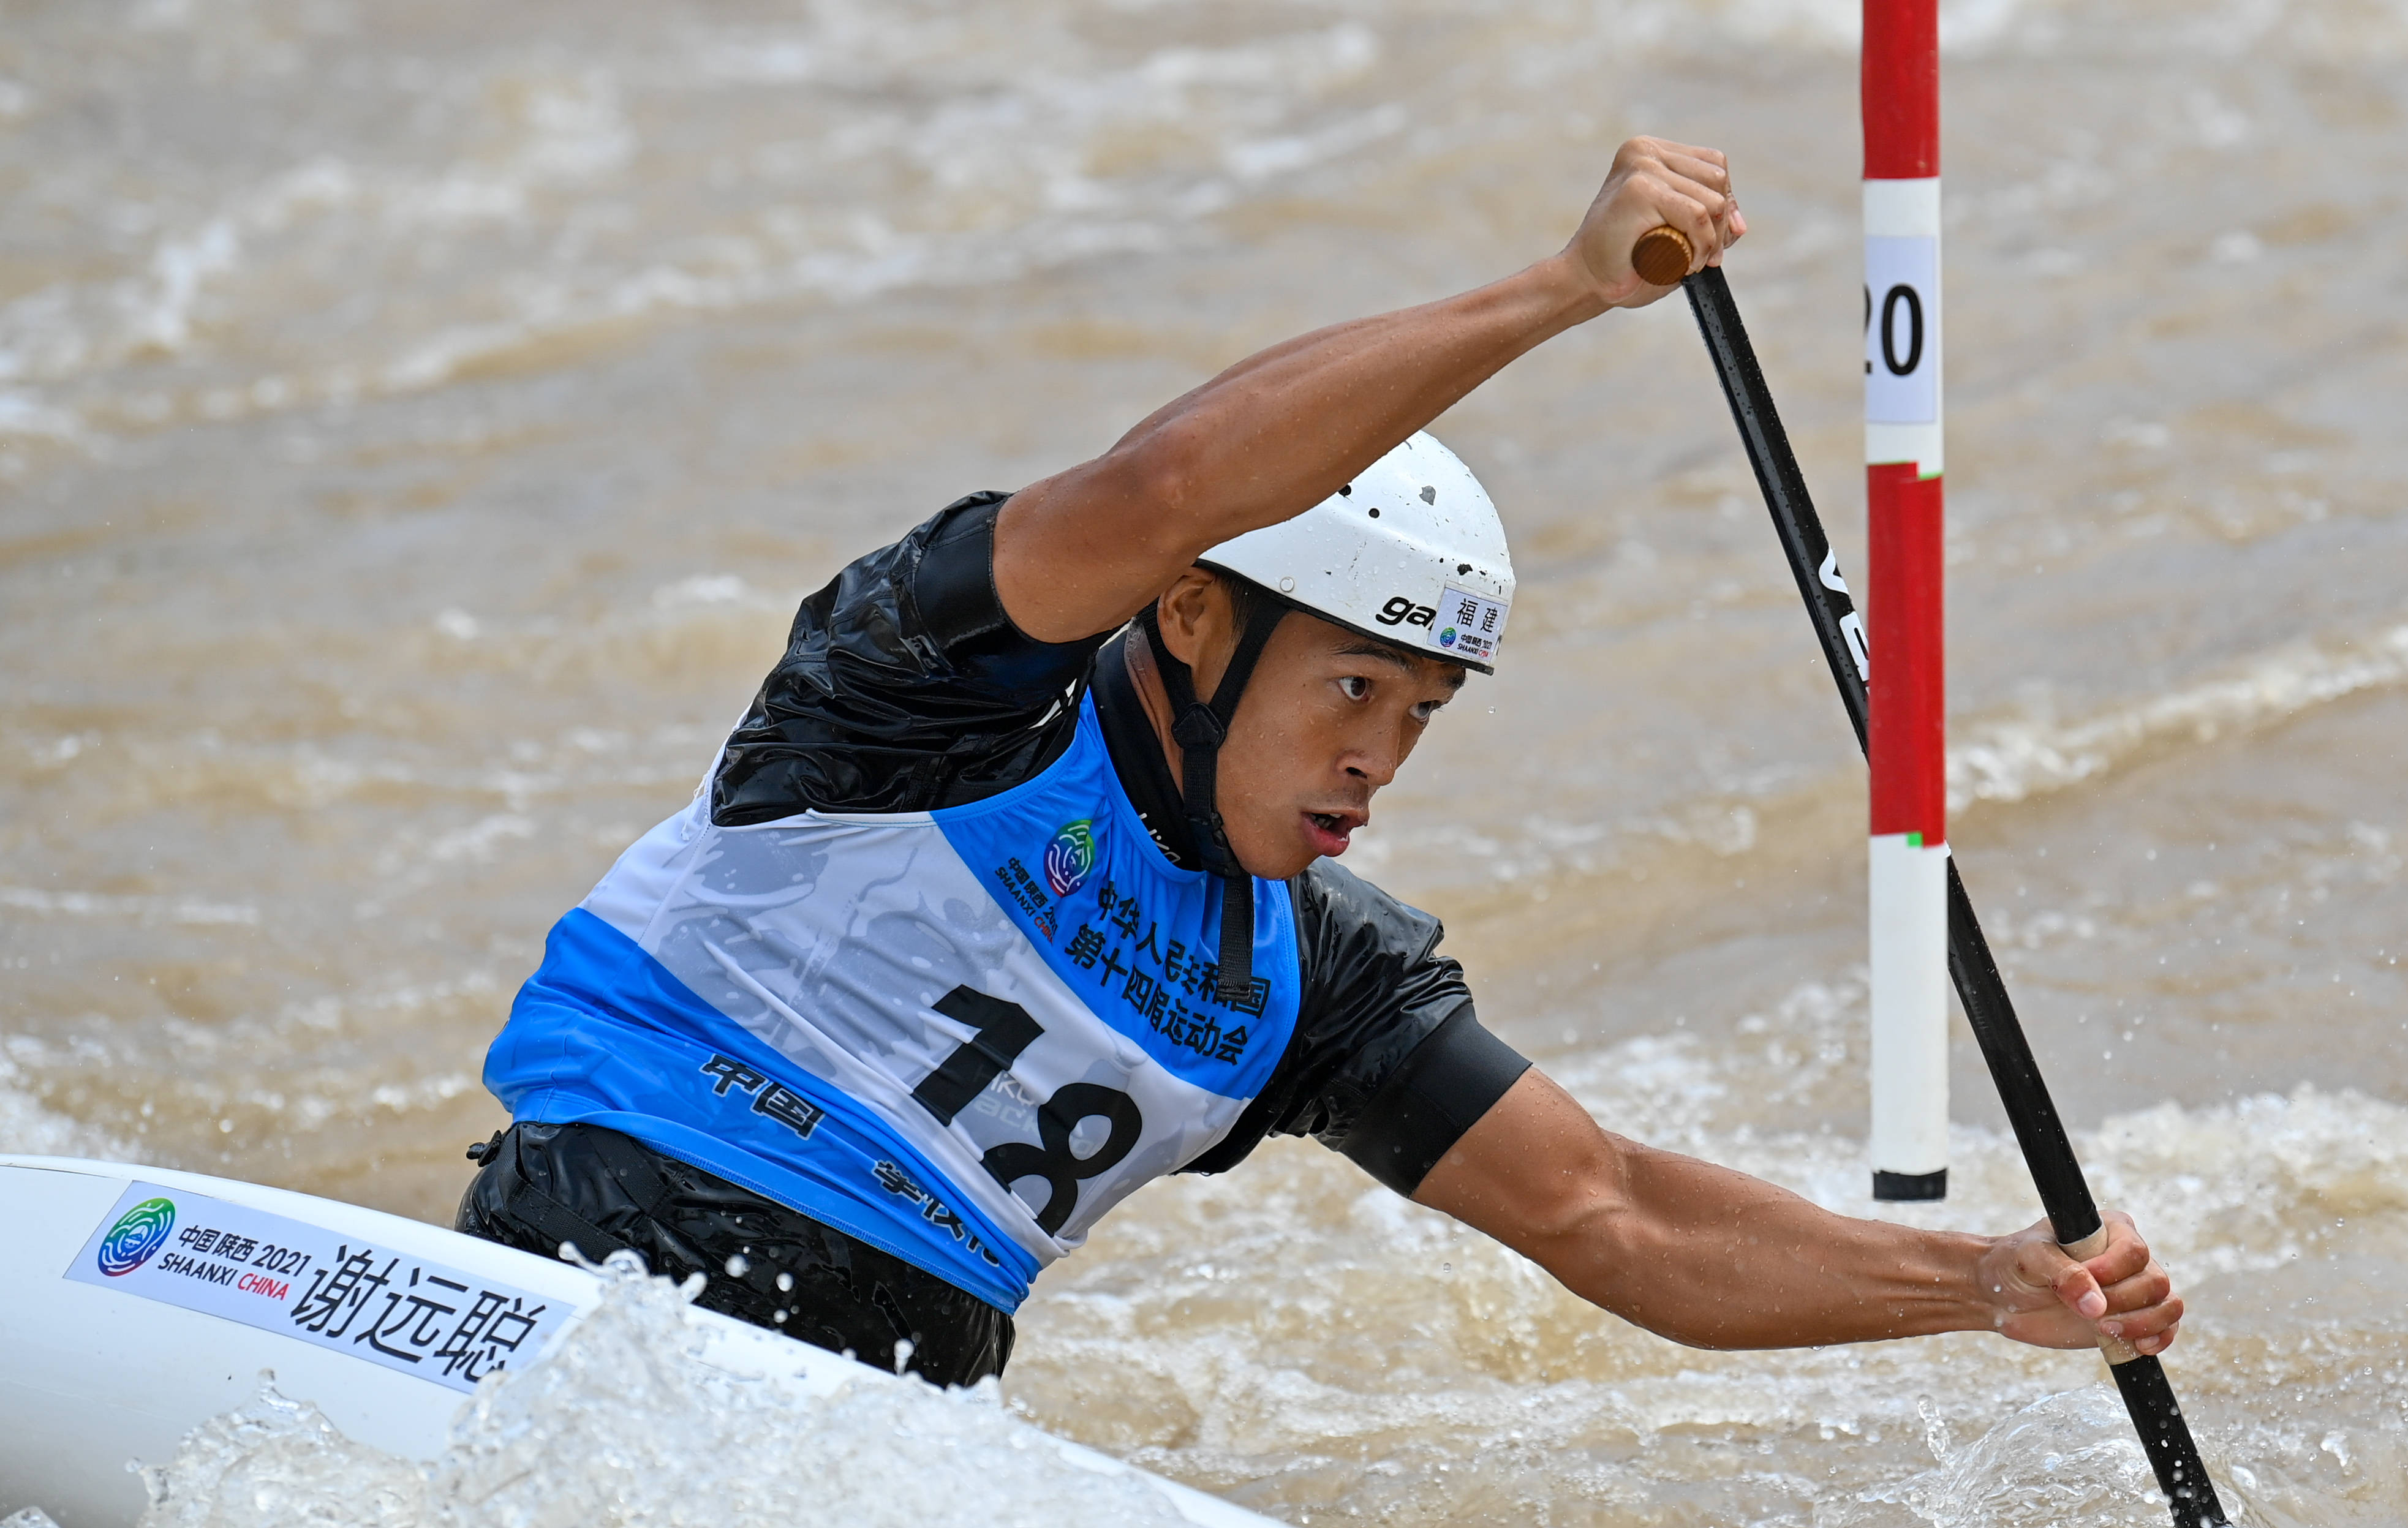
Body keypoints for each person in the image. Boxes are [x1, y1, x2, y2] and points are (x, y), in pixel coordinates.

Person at [457, 137, 2183, 1388]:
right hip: (579, 1263)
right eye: (1354, 687)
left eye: (1422, 714)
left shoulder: (1309, 969)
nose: (1380, 759)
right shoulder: (933, 694)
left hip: (895, 1408)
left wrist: (1982, 1282)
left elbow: (1614, 1214)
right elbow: (1158, 495)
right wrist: (1562, 289)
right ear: (1195, 626)